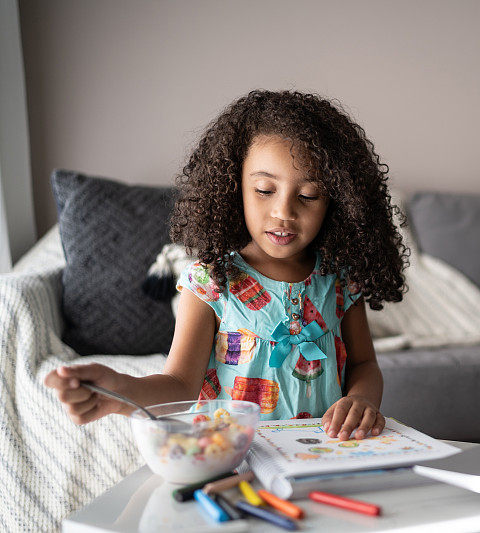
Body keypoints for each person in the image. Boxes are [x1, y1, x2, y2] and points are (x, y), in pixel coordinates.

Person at [44, 90, 407, 441]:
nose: (284, 212)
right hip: (238, 459)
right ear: (235, 189)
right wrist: (120, 391)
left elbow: (364, 366)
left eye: (309, 195)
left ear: (338, 202)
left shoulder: (340, 281)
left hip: (325, 457)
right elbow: (179, 385)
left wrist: (360, 400)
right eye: (265, 190)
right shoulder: (211, 282)